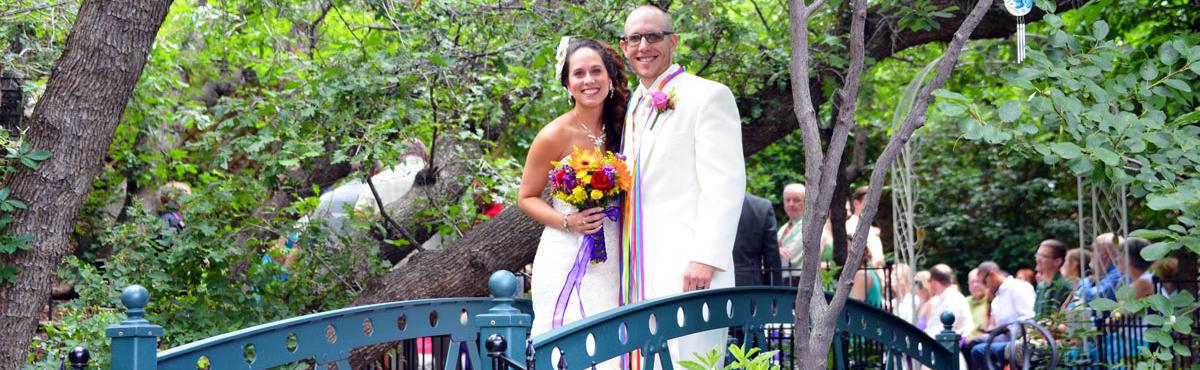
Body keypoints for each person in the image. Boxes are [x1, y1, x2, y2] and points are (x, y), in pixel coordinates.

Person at [618, 4, 746, 366]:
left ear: (673, 41)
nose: (644, 46)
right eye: (635, 38)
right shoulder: (633, 104)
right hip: (637, 269)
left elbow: (725, 183)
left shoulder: (708, 96)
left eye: (653, 36)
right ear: (624, 47)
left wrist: (705, 257)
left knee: (690, 361)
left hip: (690, 269)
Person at [517, 37, 631, 337]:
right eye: (578, 73)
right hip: (565, 253)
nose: (588, 80)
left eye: (596, 71)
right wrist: (569, 221)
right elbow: (526, 197)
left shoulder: (626, 128)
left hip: (615, 257)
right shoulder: (553, 135)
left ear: (610, 78)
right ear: (568, 84)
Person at [968, 266, 1036, 370]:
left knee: (978, 350)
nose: (985, 287)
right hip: (1006, 337)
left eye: (984, 282)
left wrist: (1008, 327)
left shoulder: (1018, 287)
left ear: (992, 275)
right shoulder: (997, 299)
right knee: (970, 343)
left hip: (1021, 338)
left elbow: (1030, 317)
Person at [924, 264, 975, 369]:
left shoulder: (953, 299)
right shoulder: (943, 298)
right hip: (942, 349)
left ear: (934, 282)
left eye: (929, 281)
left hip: (950, 352)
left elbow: (943, 329)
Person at [732, 193, 781, 286]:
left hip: (713, 284)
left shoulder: (709, 202)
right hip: (751, 283)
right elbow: (771, 256)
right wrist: (774, 290)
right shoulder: (762, 206)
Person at [1076, 232, 1124, 302]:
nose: (1091, 254)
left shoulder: (1118, 275)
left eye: (1093, 250)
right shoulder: (1114, 273)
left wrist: (1085, 282)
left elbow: (1091, 298)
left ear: (1104, 254)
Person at [845, 186, 884, 267]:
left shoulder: (871, 228)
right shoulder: (850, 227)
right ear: (856, 204)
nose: (874, 208)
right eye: (869, 204)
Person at [1032, 239, 1071, 319]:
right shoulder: (1041, 286)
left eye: (1043, 256)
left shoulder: (1064, 286)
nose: (1037, 259)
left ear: (1057, 261)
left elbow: (1059, 320)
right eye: (1037, 255)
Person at [777, 183, 806, 278]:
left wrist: (773, 252)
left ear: (806, 202)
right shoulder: (783, 228)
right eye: (787, 200)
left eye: (796, 200)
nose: (791, 204)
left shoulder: (808, 226)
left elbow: (790, 257)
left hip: (798, 280)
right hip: (782, 280)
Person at [965, 268, 989, 335]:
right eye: (972, 282)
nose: (975, 285)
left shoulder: (992, 301)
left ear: (985, 282)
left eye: (978, 281)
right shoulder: (963, 302)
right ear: (968, 284)